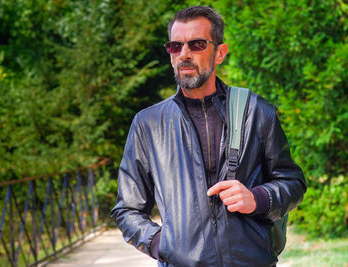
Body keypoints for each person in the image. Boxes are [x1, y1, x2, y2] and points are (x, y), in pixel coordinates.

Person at [111, 6, 306, 267]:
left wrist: (257, 198)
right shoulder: (148, 125)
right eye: (175, 46)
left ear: (220, 53)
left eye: (197, 44)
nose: (184, 55)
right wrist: (161, 245)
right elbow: (127, 209)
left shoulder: (256, 112)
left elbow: (292, 182)